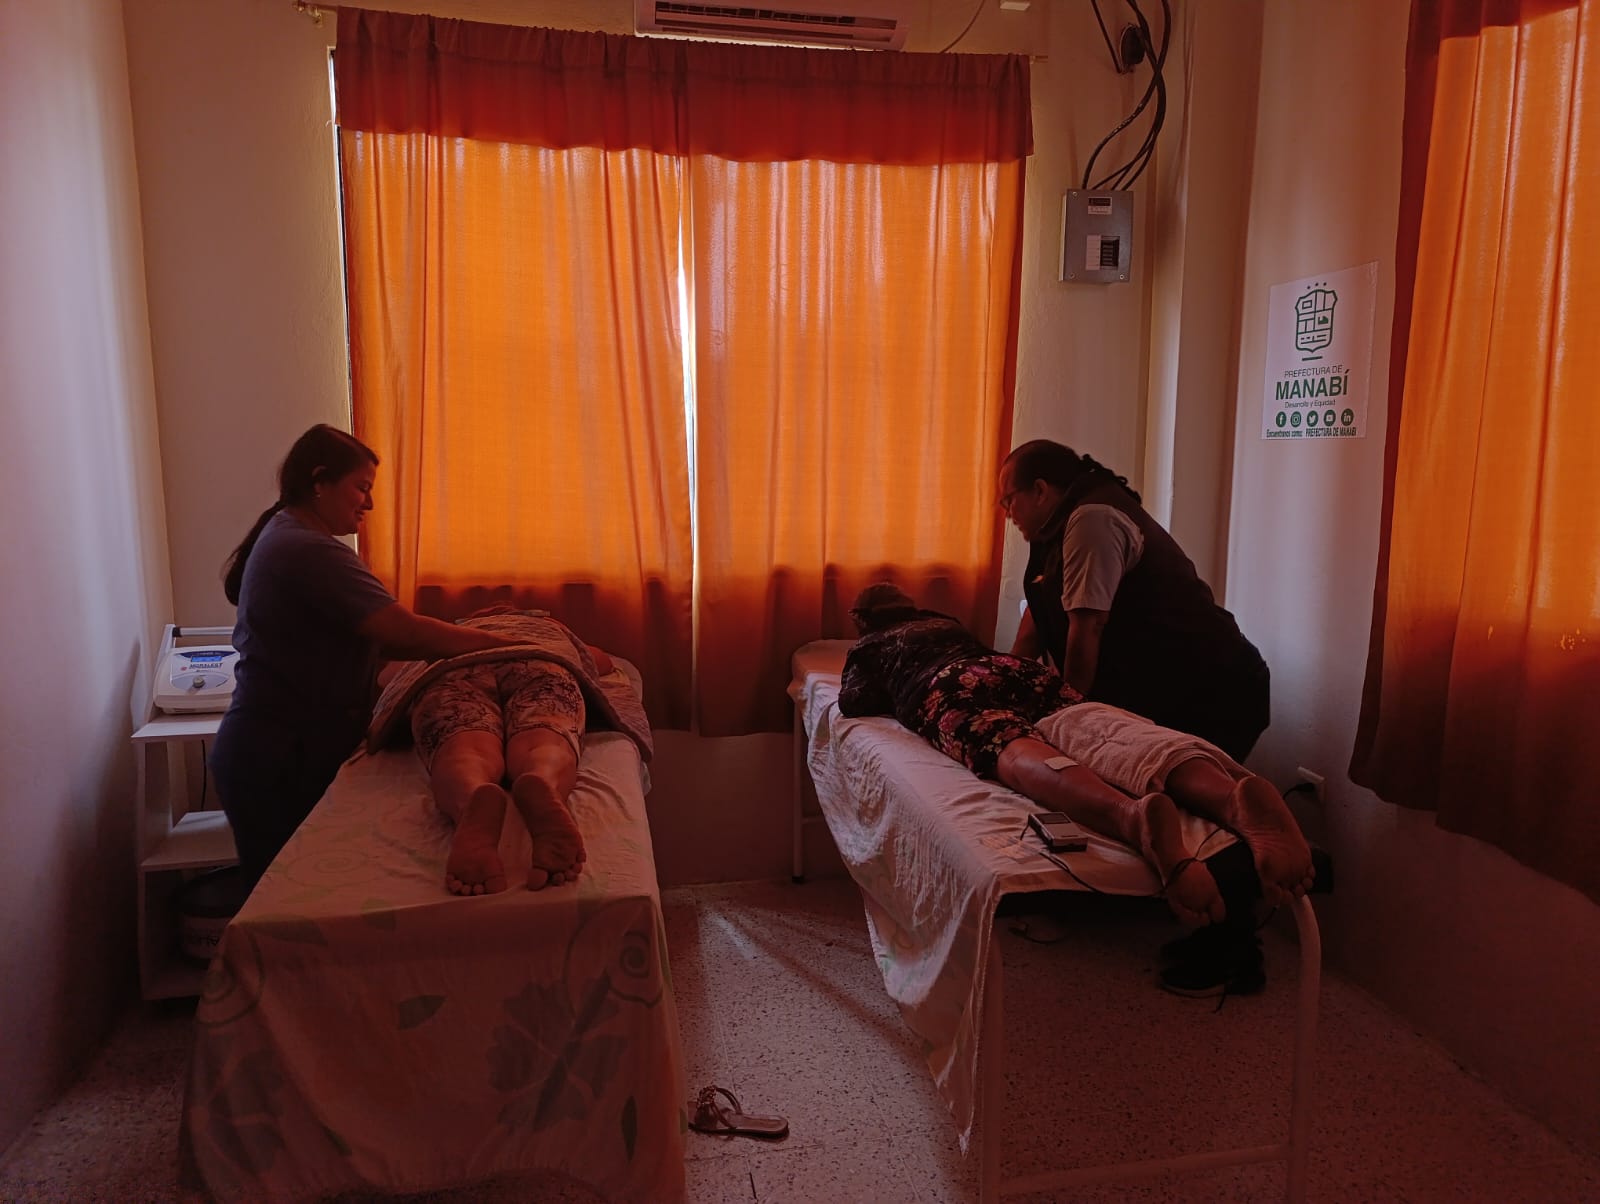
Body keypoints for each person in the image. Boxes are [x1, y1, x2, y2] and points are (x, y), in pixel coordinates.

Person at [837, 585, 1314, 944]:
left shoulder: (872, 644)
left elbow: (854, 702)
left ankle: (1129, 816)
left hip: (947, 684)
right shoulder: (945, 623)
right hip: (1012, 668)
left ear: (863, 619)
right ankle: (1228, 797)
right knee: (1094, 727)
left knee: (1010, 746)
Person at [210, 424, 527, 891]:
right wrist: (511, 646)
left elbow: (385, 640)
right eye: (362, 488)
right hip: (277, 760)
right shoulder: (306, 549)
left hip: (276, 752)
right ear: (320, 482)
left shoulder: (289, 537)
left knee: (298, 895)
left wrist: (473, 636)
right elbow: (405, 632)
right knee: (290, 900)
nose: (370, 503)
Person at [998, 439, 1271, 761]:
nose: (1007, 514)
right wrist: (1002, 685)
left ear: (1040, 490)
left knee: (1181, 782)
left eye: (1008, 500)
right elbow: (1038, 615)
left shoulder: (1092, 520)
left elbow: (1087, 628)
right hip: (1172, 684)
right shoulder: (1054, 530)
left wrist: (1067, 719)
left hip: (1214, 687)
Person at [390, 609, 623, 896]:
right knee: (545, 737)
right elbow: (601, 662)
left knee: (463, 748)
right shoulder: (547, 628)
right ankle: (542, 778)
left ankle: (471, 795)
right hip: (540, 662)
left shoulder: (445, 632)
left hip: (453, 667)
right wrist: (560, 637)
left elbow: (392, 675)